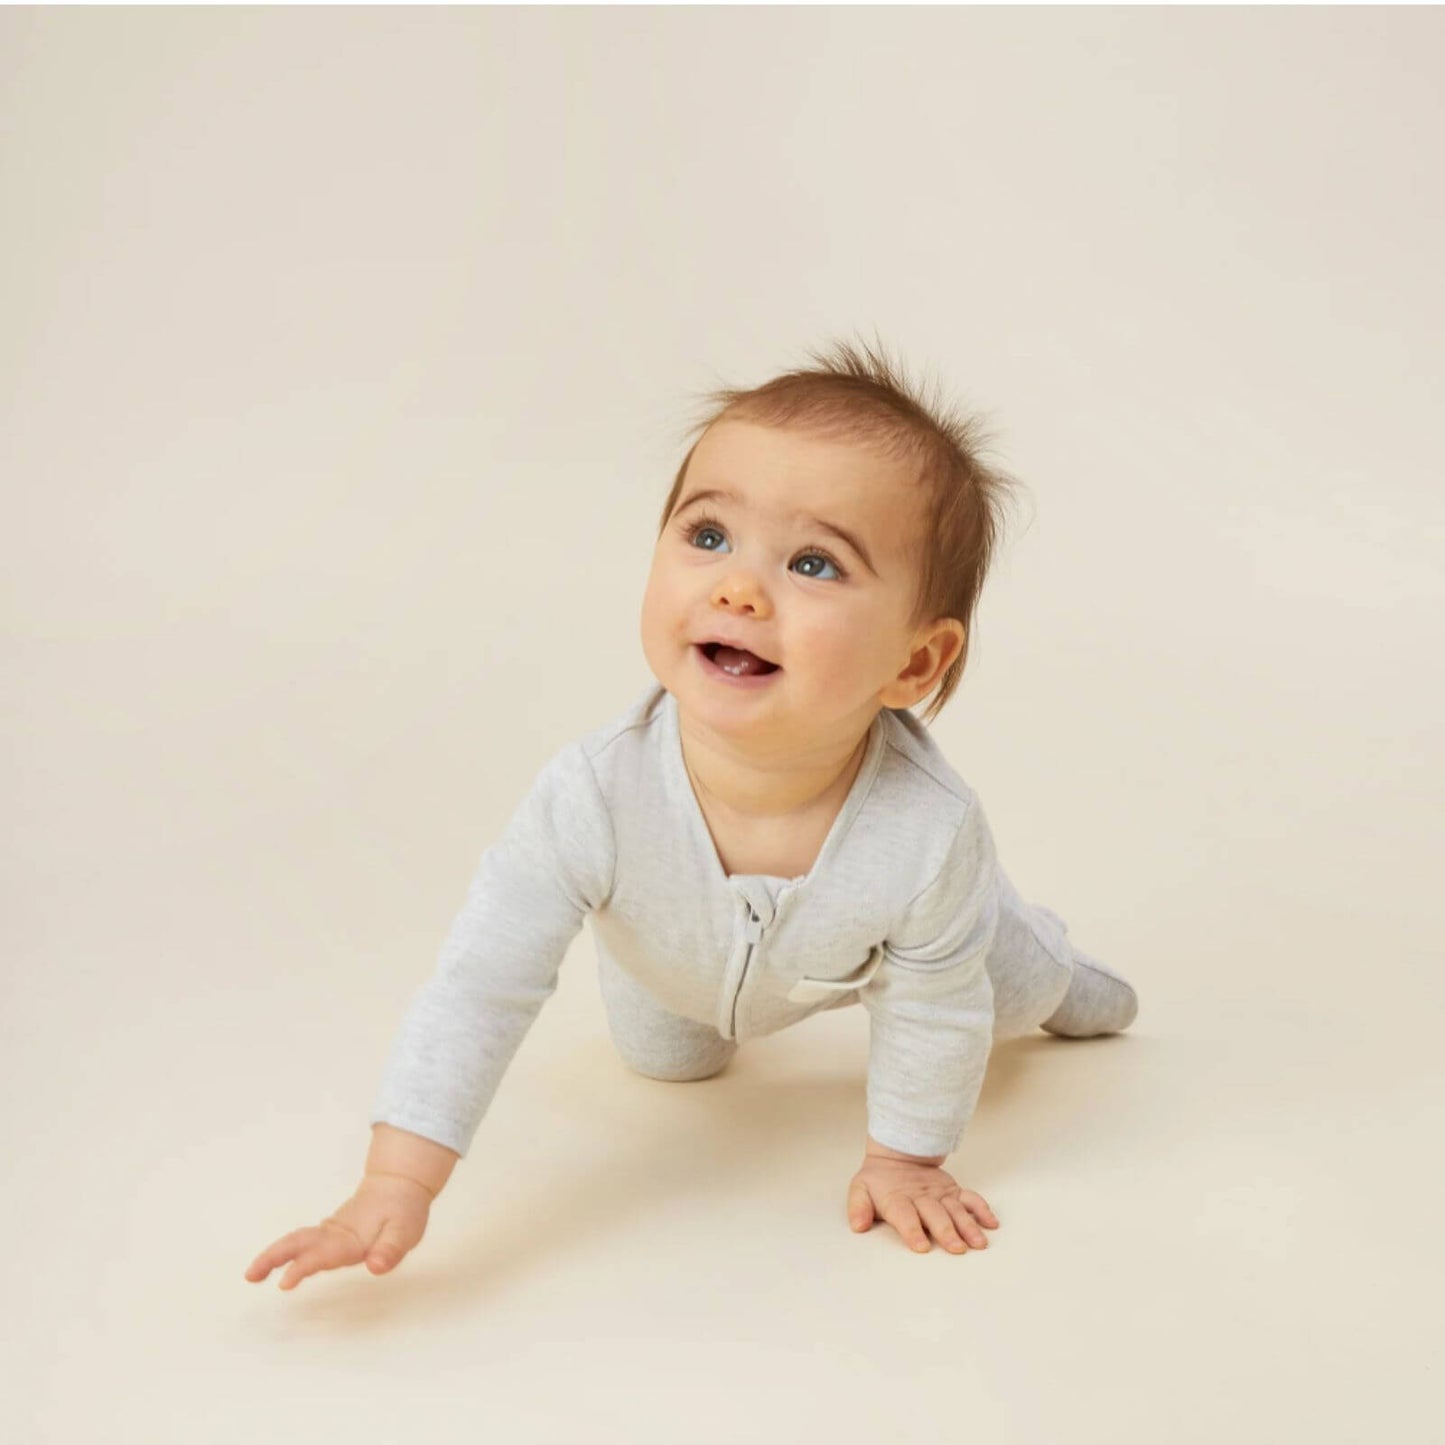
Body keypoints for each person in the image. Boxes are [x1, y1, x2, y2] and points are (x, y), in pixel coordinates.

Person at [245, 339, 1139, 1290]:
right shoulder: (592, 795)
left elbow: (935, 1013)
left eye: (813, 562)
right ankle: (691, 995)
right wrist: (396, 1179)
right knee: (668, 1061)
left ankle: (1059, 969)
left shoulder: (926, 833)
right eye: (708, 536)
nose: (737, 587)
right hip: (673, 959)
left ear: (913, 662)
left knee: (1000, 995)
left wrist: (904, 1157)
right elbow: (482, 981)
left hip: (908, 948)